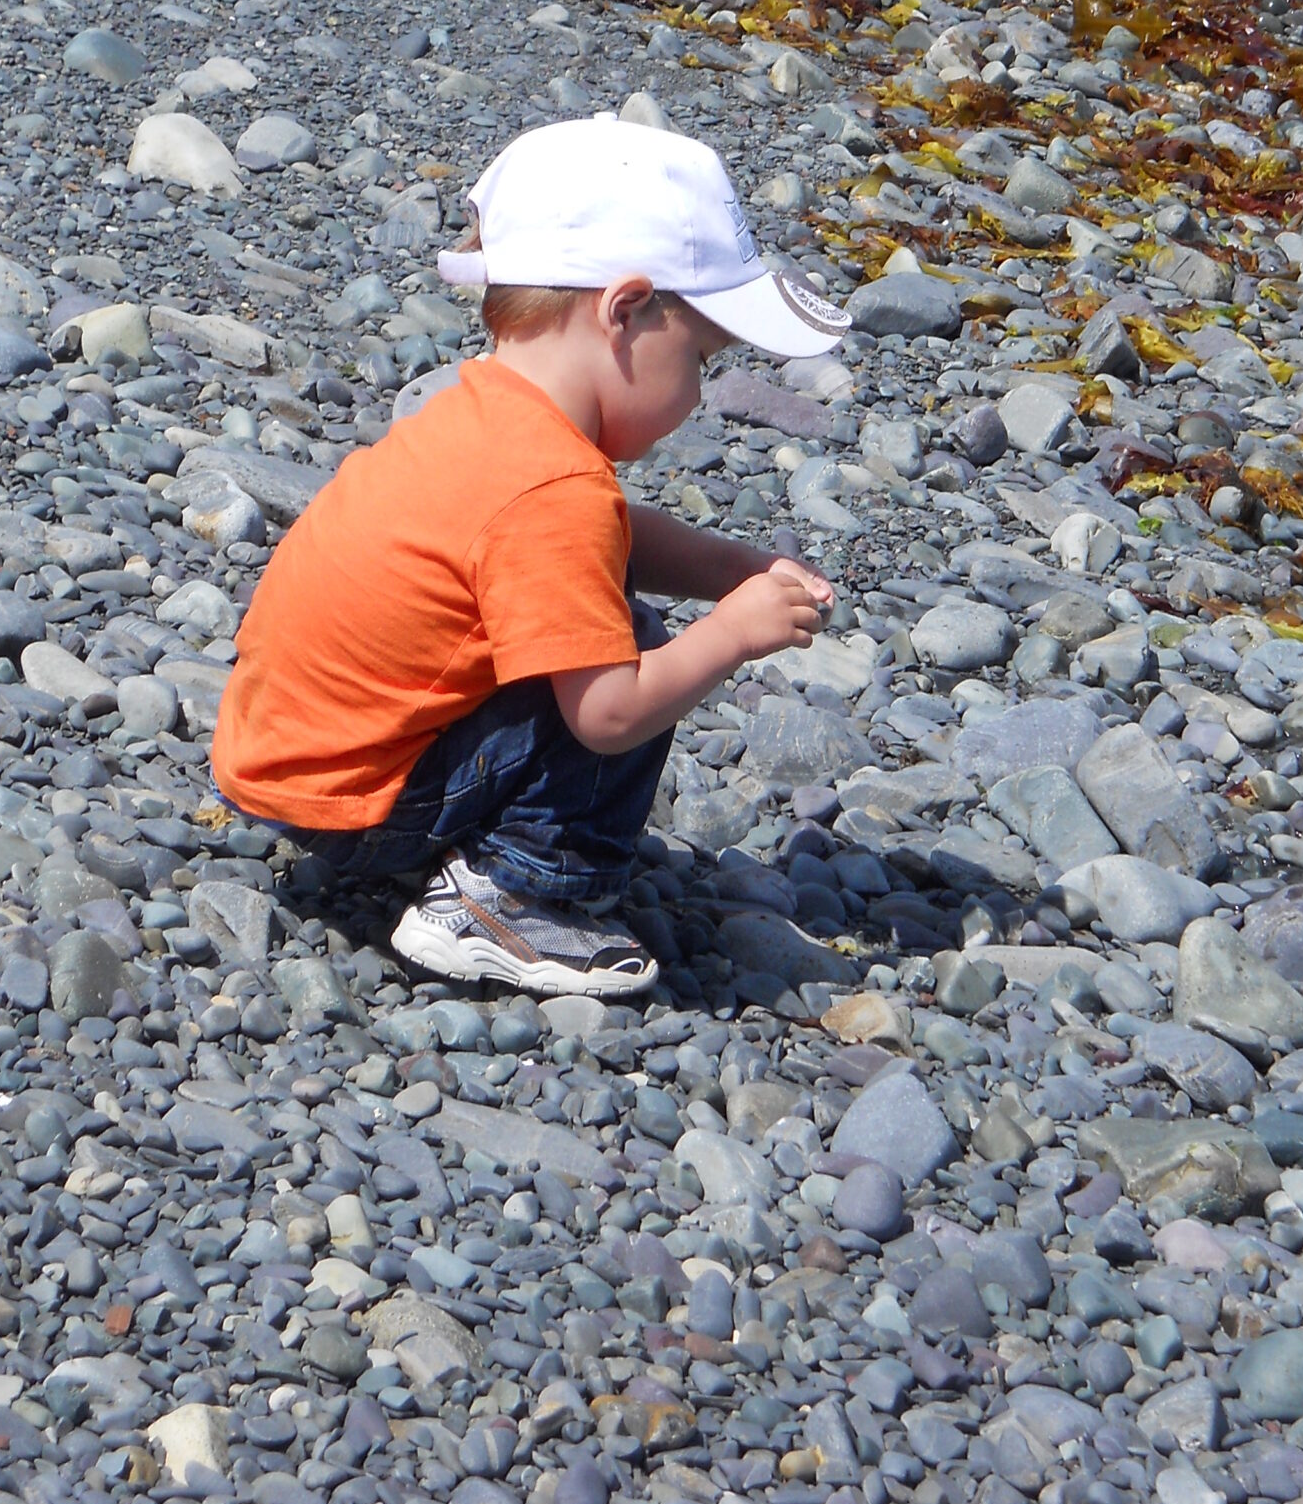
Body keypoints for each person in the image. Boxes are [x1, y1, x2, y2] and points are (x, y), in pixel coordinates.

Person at [209, 116, 849, 997]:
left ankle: (458, 852)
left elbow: (602, 534)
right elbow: (609, 717)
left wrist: (728, 567)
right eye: (701, 358)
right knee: (630, 637)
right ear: (623, 312)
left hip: (287, 762)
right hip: (356, 807)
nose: (702, 393)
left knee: (588, 608)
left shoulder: (486, 416)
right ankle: (512, 897)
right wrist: (733, 632)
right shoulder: (554, 489)